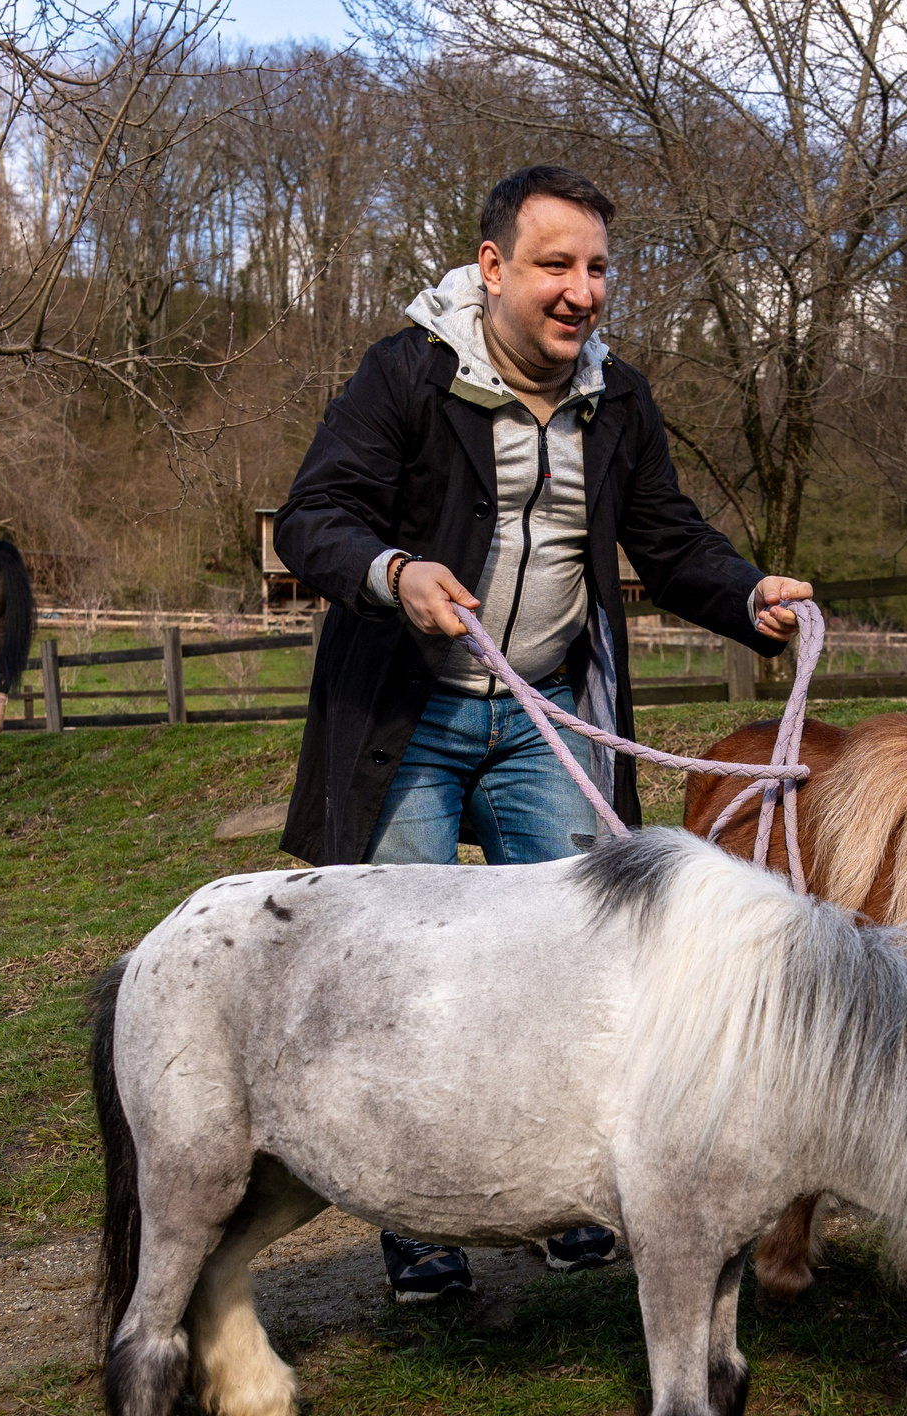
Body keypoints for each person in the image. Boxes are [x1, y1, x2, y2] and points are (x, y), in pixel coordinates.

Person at [274, 163, 814, 1304]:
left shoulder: (619, 401)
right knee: (403, 979)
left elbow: (669, 541)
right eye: (556, 265)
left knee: (589, 963)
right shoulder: (405, 373)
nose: (582, 292)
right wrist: (393, 570)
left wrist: (747, 595)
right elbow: (314, 517)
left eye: (598, 269)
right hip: (406, 713)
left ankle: (566, 1196)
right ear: (492, 270)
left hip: (549, 718)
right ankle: (412, 1222)